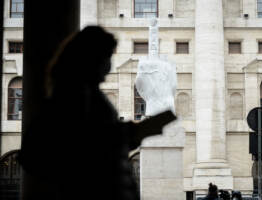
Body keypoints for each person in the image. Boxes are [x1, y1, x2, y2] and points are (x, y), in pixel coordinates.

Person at [19, 26, 176, 200]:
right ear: (90, 59)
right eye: (106, 57)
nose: (109, 65)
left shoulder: (85, 93)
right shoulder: (74, 95)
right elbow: (83, 144)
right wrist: (128, 133)